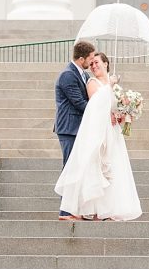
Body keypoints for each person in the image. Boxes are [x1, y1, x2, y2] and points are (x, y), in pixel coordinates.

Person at [54, 52, 142, 221]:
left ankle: (110, 210)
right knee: (97, 167)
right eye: (92, 63)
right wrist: (110, 85)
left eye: (97, 63)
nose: (94, 66)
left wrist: (123, 113)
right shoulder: (92, 82)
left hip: (113, 131)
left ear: (106, 64)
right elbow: (95, 105)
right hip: (98, 130)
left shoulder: (114, 86)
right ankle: (88, 210)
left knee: (114, 167)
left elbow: (114, 106)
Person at [54, 41, 96, 220]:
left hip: (79, 129)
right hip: (69, 129)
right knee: (69, 169)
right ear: (81, 59)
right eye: (91, 58)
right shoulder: (68, 75)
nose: (93, 62)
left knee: (78, 169)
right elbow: (79, 103)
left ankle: (74, 208)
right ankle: (65, 212)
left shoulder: (82, 74)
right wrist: (101, 111)